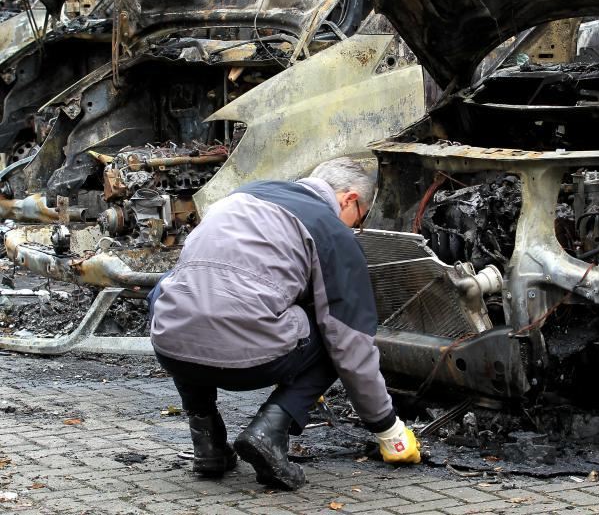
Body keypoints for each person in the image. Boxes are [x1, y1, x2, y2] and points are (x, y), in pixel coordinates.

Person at [148, 157, 420, 490]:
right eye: (358, 220)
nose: (353, 229)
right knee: (334, 333)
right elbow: (351, 345)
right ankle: (269, 432)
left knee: (177, 298)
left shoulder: (243, 195)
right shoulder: (330, 229)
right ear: (349, 199)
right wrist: (387, 427)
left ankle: (208, 442)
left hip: (172, 350)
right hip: (249, 363)